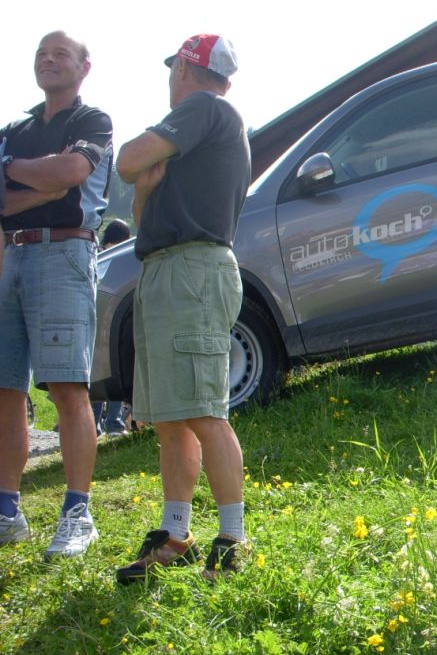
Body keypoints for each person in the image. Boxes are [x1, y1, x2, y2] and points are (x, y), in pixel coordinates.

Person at [113, 34, 250, 583]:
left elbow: (127, 161)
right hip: (166, 269)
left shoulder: (204, 108)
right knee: (172, 416)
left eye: (174, 70)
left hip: (191, 271)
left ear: (185, 71)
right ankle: (176, 535)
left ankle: (233, 538)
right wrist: (146, 187)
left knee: (203, 411)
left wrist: (141, 169)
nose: (171, 78)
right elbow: (141, 211)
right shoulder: (195, 136)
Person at [0, 31, 112, 558]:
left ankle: (78, 513)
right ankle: (7, 512)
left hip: (65, 252)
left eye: (60, 53)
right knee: (5, 389)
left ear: (84, 66)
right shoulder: (15, 129)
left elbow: (72, 173)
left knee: (67, 388)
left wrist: (13, 171)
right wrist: (42, 181)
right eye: (41, 54)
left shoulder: (92, 121)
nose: (48, 60)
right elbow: (12, 198)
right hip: (11, 255)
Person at [92, 219, 132, 436]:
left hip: (98, 323)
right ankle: (111, 422)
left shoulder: (98, 256)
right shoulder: (116, 259)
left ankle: (98, 423)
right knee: (111, 373)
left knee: (100, 374)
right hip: (108, 325)